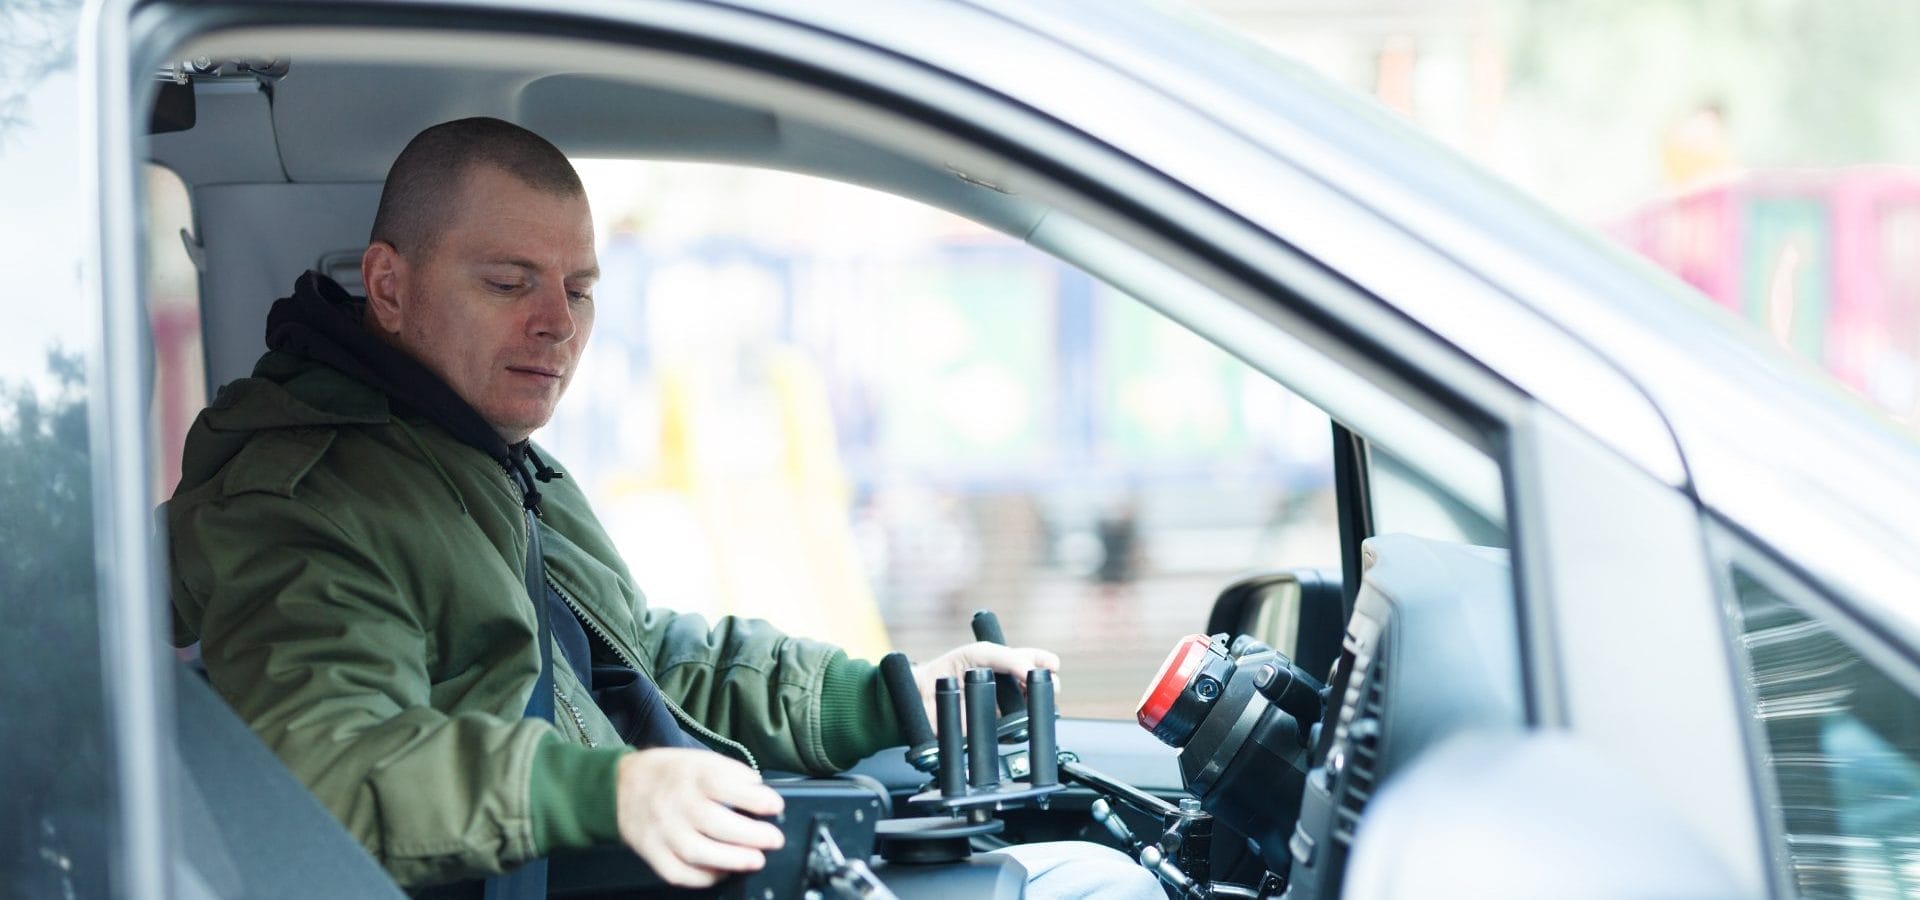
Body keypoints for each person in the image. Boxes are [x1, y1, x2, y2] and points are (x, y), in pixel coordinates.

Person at [166, 117, 1159, 899]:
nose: (556, 324)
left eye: (579, 289)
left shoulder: (487, 460)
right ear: (389, 287)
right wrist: (607, 791)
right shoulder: (304, 500)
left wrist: (886, 697)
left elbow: (642, 661)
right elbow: (329, 766)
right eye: (510, 283)